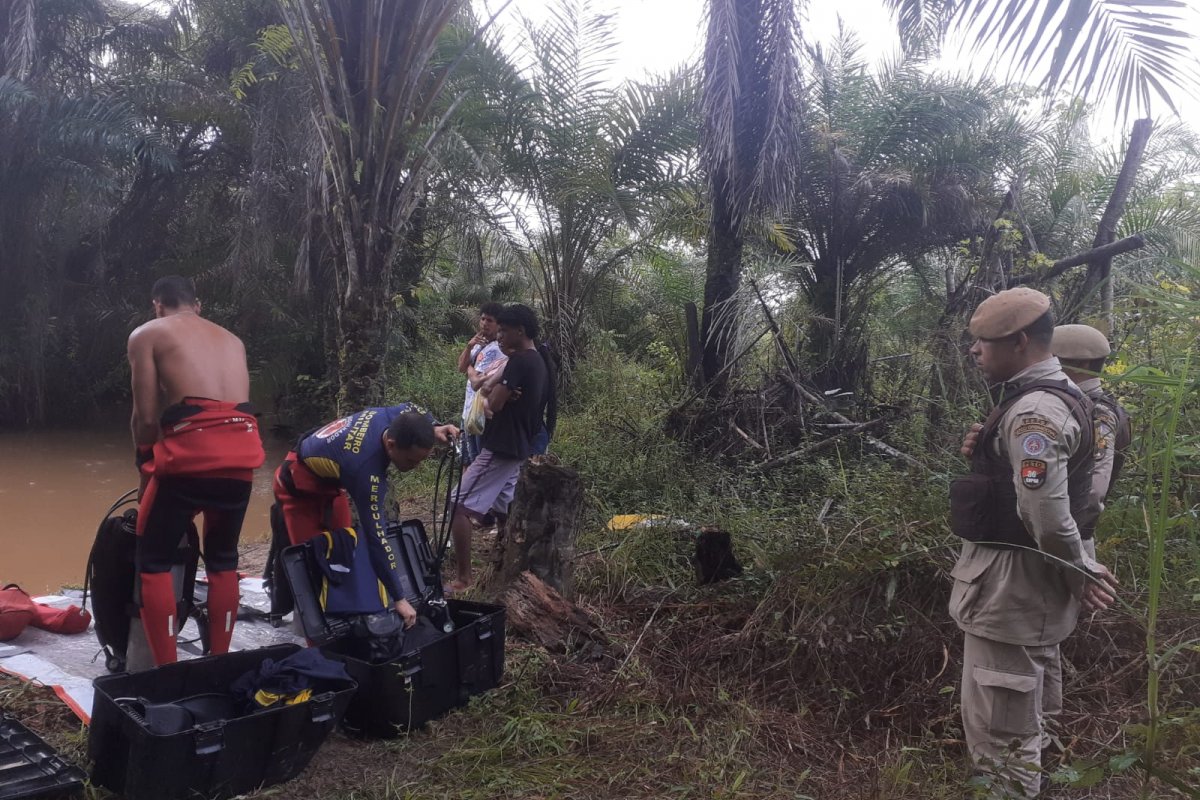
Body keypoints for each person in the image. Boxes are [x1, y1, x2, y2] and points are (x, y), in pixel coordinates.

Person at [951, 287, 1119, 798]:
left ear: (1020, 342)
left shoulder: (1036, 412)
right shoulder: (1051, 399)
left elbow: (1046, 513)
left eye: (984, 342)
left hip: (1013, 590)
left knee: (1002, 733)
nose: (975, 352)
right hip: (1026, 588)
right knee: (1022, 717)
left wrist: (1078, 571)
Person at [127, 275, 266, 666]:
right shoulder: (233, 340)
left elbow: (146, 417)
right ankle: (218, 661)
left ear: (158, 305)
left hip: (189, 460)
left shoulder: (147, 334)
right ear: (197, 305)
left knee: (152, 560)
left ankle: (167, 670)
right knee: (223, 558)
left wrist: (144, 462)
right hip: (242, 458)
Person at [273, 404, 458, 627]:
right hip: (297, 487)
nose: (416, 467)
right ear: (391, 445)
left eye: (420, 461)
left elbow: (412, 406)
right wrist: (399, 598)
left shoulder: (395, 416)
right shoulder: (365, 471)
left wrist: (435, 426)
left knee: (346, 552)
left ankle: (347, 619)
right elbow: (376, 538)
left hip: (330, 484)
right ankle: (317, 635)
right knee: (312, 565)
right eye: (411, 461)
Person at [447, 304, 551, 592]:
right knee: (506, 507)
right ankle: (506, 563)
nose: (500, 335)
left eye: (504, 330)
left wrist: (492, 394)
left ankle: (463, 579)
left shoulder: (519, 361)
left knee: (458, 505)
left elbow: (490, 406)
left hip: (501, 447)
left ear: (520, 330)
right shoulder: (538, 360)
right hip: (517, 446)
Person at [1052, 324, 1132, 559]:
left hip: (1069, 545)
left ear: (1083, 364)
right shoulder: (1084, 405)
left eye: (1055, 358)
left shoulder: (1097, 412)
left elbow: (1093, 490)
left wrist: (1062, 537)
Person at [457, 302, 506, 465]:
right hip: (469, 411)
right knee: (467, 461)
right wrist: (470, 346)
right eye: (483, 319)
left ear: (499, 324)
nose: (484, 323)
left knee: (479, 462)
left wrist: (469, 367)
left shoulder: (498, 349)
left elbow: (476, 381)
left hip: (481, 414)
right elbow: (460, 367)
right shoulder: (478, 344)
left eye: (490, 320)